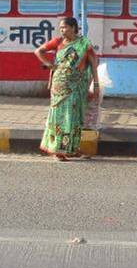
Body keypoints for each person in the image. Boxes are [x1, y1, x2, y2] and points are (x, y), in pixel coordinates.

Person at [33, 16, 99, 161]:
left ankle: (71, 148)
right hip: (59, 87)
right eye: (61, 28)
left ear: (74, 28)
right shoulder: (57, 42)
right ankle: (58, 150)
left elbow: (93, 64)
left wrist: (96, 84)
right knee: (59, 118)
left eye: (65, 27)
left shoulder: (84, 44)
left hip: (77, 87)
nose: (62, 30)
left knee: (74, 119)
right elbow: (38, 51)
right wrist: (49, 64)